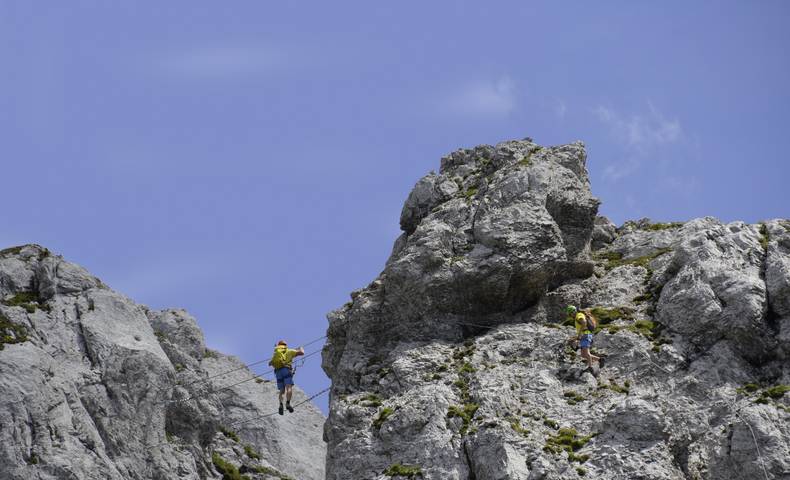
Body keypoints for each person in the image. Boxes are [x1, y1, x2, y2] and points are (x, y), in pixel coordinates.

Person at [268, 340, 305, 415]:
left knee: (282, 390)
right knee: (289, 387)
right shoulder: (289, 351)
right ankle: (287, 403)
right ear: (285, 345)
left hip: (278, 372)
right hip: (286, 370)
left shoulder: (276, 353)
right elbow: (302, 353)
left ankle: (280, 404)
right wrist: (300, 348)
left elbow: (269, 363)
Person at [566, 305, 604, 370]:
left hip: (586, 335)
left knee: (586, 353)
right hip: (585, 335)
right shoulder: (578, 316)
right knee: (583, 354)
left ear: (572, 312)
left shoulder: (579, 315)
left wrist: (580, 333)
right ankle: (600, 359)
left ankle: (590, 367)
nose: (570, 316)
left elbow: (584, 322)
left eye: (570, 314)